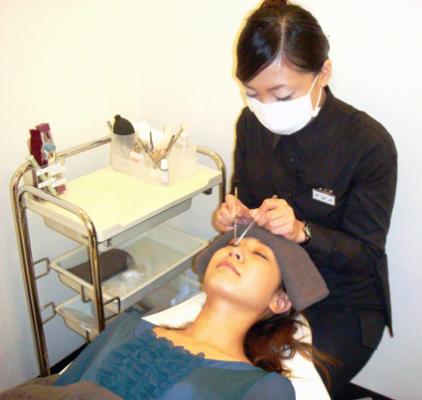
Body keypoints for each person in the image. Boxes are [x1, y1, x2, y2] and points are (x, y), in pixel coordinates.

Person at [213, 0, 398, 396]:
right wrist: (237, 215)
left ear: (323, 73)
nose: (266, 109)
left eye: (281, 95)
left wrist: (303, 232)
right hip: (273, 283)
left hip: (343, 301)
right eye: (252, 94)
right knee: (221, 372)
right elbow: (248, 202)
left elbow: (367, 254)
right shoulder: (250, 124)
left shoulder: (368, 145)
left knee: (281, 391)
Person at [50, 226, 329, 400]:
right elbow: (58, 390)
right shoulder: (126, 326)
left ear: (280, 301)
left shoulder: (263, 388)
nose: (234, 253)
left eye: (259, 255)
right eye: (232, 246)